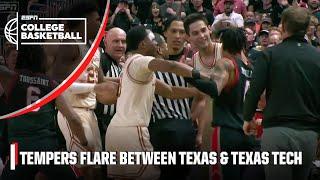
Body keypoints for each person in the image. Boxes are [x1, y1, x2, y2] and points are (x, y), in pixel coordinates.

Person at [105, 25, 208, 180]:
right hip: (132, 131)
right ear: (142, 45)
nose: (157, 44)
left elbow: (170, 92)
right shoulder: (140, 60)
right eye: (153, 40)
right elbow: (171, 66)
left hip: (117, 131)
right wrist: (205, 79)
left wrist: (197, 91)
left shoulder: (134, 67)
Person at [243, 7, 320, 180]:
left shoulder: (269, 54)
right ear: (308, 28)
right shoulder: (317, 57)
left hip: (277, 132)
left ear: (283, 26)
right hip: (308, 134)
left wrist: (247, 118)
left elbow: (254, 90)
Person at [0, 45, 87, 180]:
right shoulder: (51, 84)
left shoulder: (11, 78)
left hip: (17, 149)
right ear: (41, 59)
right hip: (46, 148)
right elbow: (73, 119)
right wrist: (85, 142)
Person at [184, 27, 258, 180]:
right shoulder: (251, 68)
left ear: (223, 45)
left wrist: (187, 74)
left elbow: (214, 89)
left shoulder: (226, 63)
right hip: (247, 134)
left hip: (227, 132)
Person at [95, 27, 126, 148]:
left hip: (112, 124)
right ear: (105, 42)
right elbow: (92, 81)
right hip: (99, 124)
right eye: (116, 41)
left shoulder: (118, 65)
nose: (120, 45)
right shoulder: (102, 60)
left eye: (123, 41)